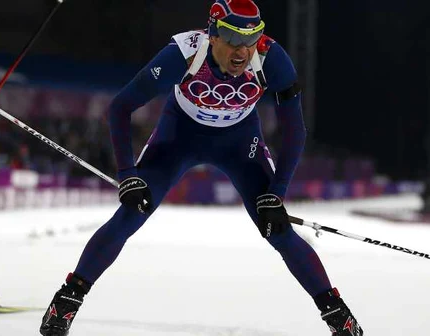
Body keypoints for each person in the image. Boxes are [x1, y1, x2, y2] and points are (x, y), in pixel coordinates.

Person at [39, 1, 363, 335]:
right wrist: (127, 175)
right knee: (131, 213)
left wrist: (277, 195)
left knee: (276, 229)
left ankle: (340, 318)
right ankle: (65, 303)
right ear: (212, 34)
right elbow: (120, 107)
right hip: (180, 136)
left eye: (251, 41)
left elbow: (295, 130)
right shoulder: (183, 54)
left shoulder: (271, 58)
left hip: (240, 143)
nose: (242, 52)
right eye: (233, 41)